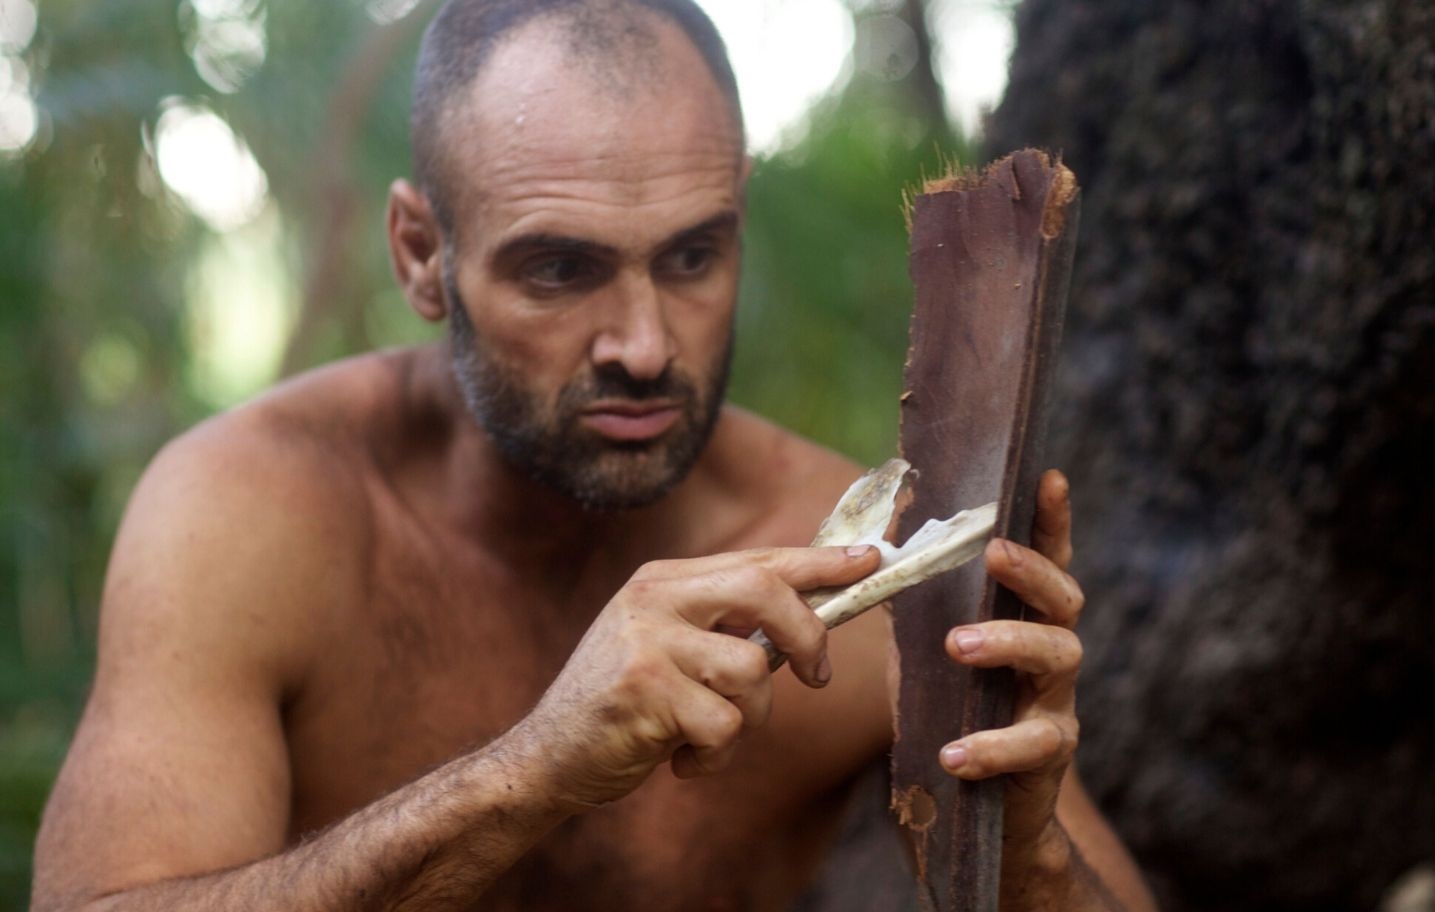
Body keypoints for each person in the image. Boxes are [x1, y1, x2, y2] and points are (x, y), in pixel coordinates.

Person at [30, 1, 1154, 910]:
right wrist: (532, 771)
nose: (644, 345)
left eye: (692, 256)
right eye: (560, 269)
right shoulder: (253, 513)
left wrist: (1030, 861)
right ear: (423, 254)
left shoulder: (865, 578)